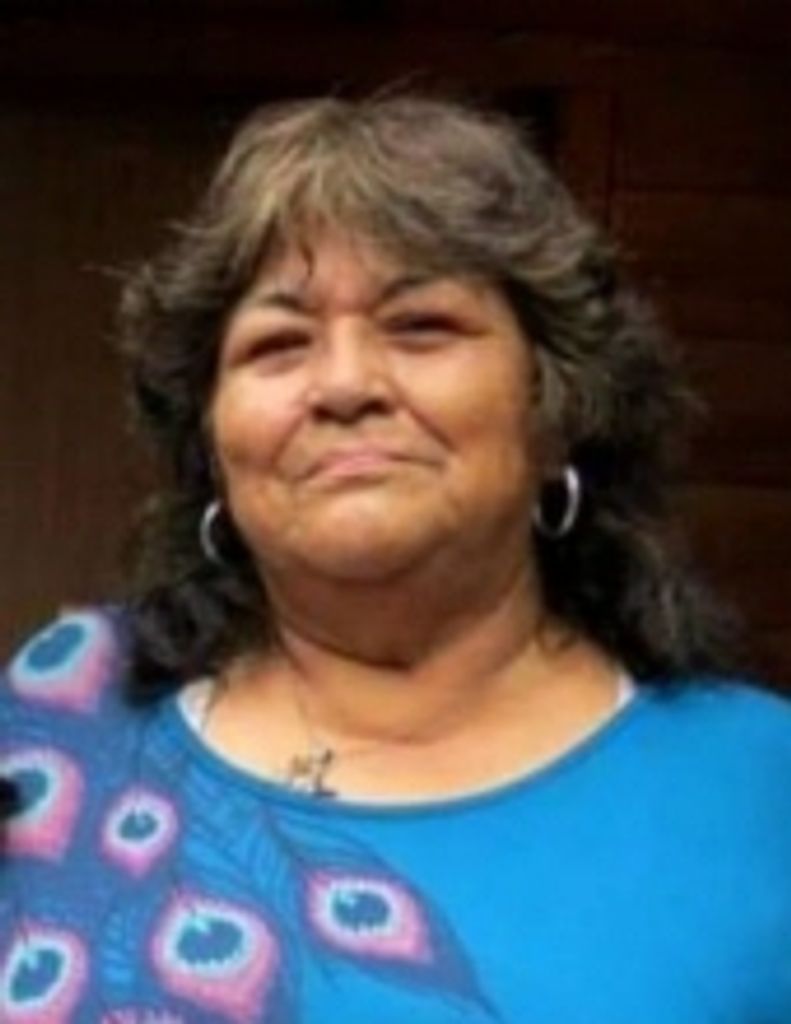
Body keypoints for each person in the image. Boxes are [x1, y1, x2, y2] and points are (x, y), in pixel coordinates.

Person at [1, 93, 790, 1023]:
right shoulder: (64, 717)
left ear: (557, 408)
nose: (344, 386)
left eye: (421, 327)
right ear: (210, 445)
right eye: (277, 344)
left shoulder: (758, 791)